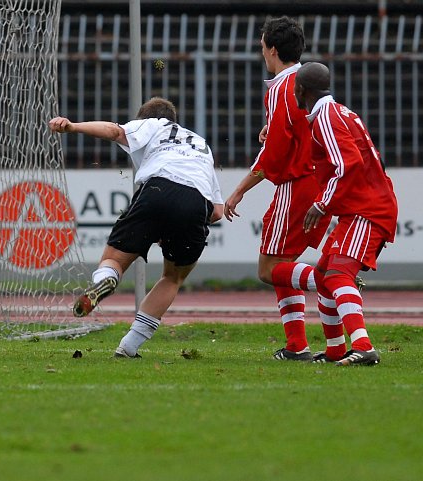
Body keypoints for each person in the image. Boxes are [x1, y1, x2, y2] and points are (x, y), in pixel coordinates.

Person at [49, 96, 224, 358]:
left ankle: (106, 279)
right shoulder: (201, 145)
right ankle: (128, 347)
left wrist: (73, 127)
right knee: (172, 277)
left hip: (157, 188)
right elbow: (218, 211)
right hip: (196, 202)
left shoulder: (153, 124)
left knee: (114, 261)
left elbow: (114, 131)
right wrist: (177, 222)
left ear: (145, 118)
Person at [268, 62, 397, 366]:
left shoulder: (326, 116)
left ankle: (363, 346)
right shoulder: (338, 111)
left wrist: (321, 203)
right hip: (362, 207)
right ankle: (337, 349)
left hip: (367, 209)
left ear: (301, 90)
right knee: (326, 278)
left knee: (338, 275)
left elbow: (347, 164)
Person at [223, 17, 330, 361]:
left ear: (271, 49)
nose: (261, 52)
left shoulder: (282, 88)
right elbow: (297, 131)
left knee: (268, 269)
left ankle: (333, 282)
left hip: (295, 185)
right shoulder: (304, 83)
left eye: (261, 46)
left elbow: (274, 155)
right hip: (316, 182)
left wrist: (239, 189)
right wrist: (272, 130)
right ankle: (297, 345)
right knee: (284, 264)